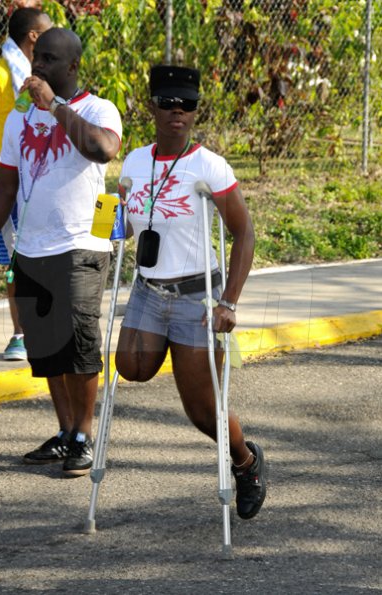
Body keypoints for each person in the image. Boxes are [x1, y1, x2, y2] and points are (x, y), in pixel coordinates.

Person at [115, 65, 266, 520]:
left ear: (196, 111)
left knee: (202, 410)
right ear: (152, 107)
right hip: (147, 287)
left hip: (196, 296)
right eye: (168, 103)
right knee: (132, 366)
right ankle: (172, 350)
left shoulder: (209, 166)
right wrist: (110, 225)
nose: (178, 112)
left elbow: (244, 234)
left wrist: (229, 302)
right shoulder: (135, 162)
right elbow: (125, 219)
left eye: (188, 104)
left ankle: (246, 462)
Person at [0, 27, 122, 477]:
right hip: (31, 246)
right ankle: (65, 434)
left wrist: (54, 106)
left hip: (80, 244)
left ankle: (85, 436)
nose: (37, 65)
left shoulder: (99, 109)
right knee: (47, 350)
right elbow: (5, 185)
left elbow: (99, 149)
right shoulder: (18, 119)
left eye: (47, 59)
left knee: (79, 345)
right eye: (35, 58)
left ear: (72, 67)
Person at [0, 7, 52, 360]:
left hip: (44, 179)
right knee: (15, 263)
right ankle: (20, 334)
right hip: (12, 184)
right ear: (34, 37)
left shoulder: (45, 76)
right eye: (48, 30)